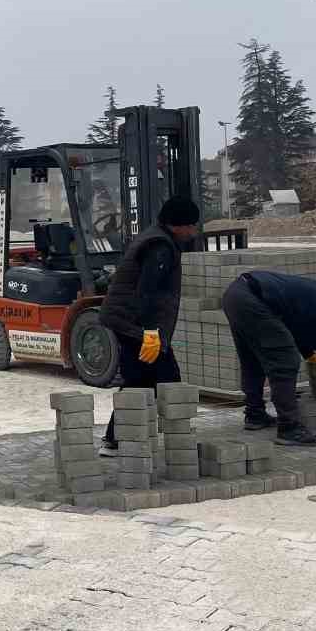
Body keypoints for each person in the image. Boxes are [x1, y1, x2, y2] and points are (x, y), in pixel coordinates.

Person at [221, 269, 316, 446]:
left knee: (252, 360)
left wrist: (309, 354)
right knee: (285, 360)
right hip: (253, 299)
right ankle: (289, 428)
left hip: (235, 294)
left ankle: (255, 415)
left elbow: (295, 324)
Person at [96, 195, 201, 456]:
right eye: (191, 225)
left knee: (139, 380)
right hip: (136, 325)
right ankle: (179, 442)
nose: (194, 231)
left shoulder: (156, 238)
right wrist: (151, 332)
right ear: (178, 224)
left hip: (131, 322)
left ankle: (115, 440)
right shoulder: (160, 247)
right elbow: (148, 292)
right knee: (167, 379)